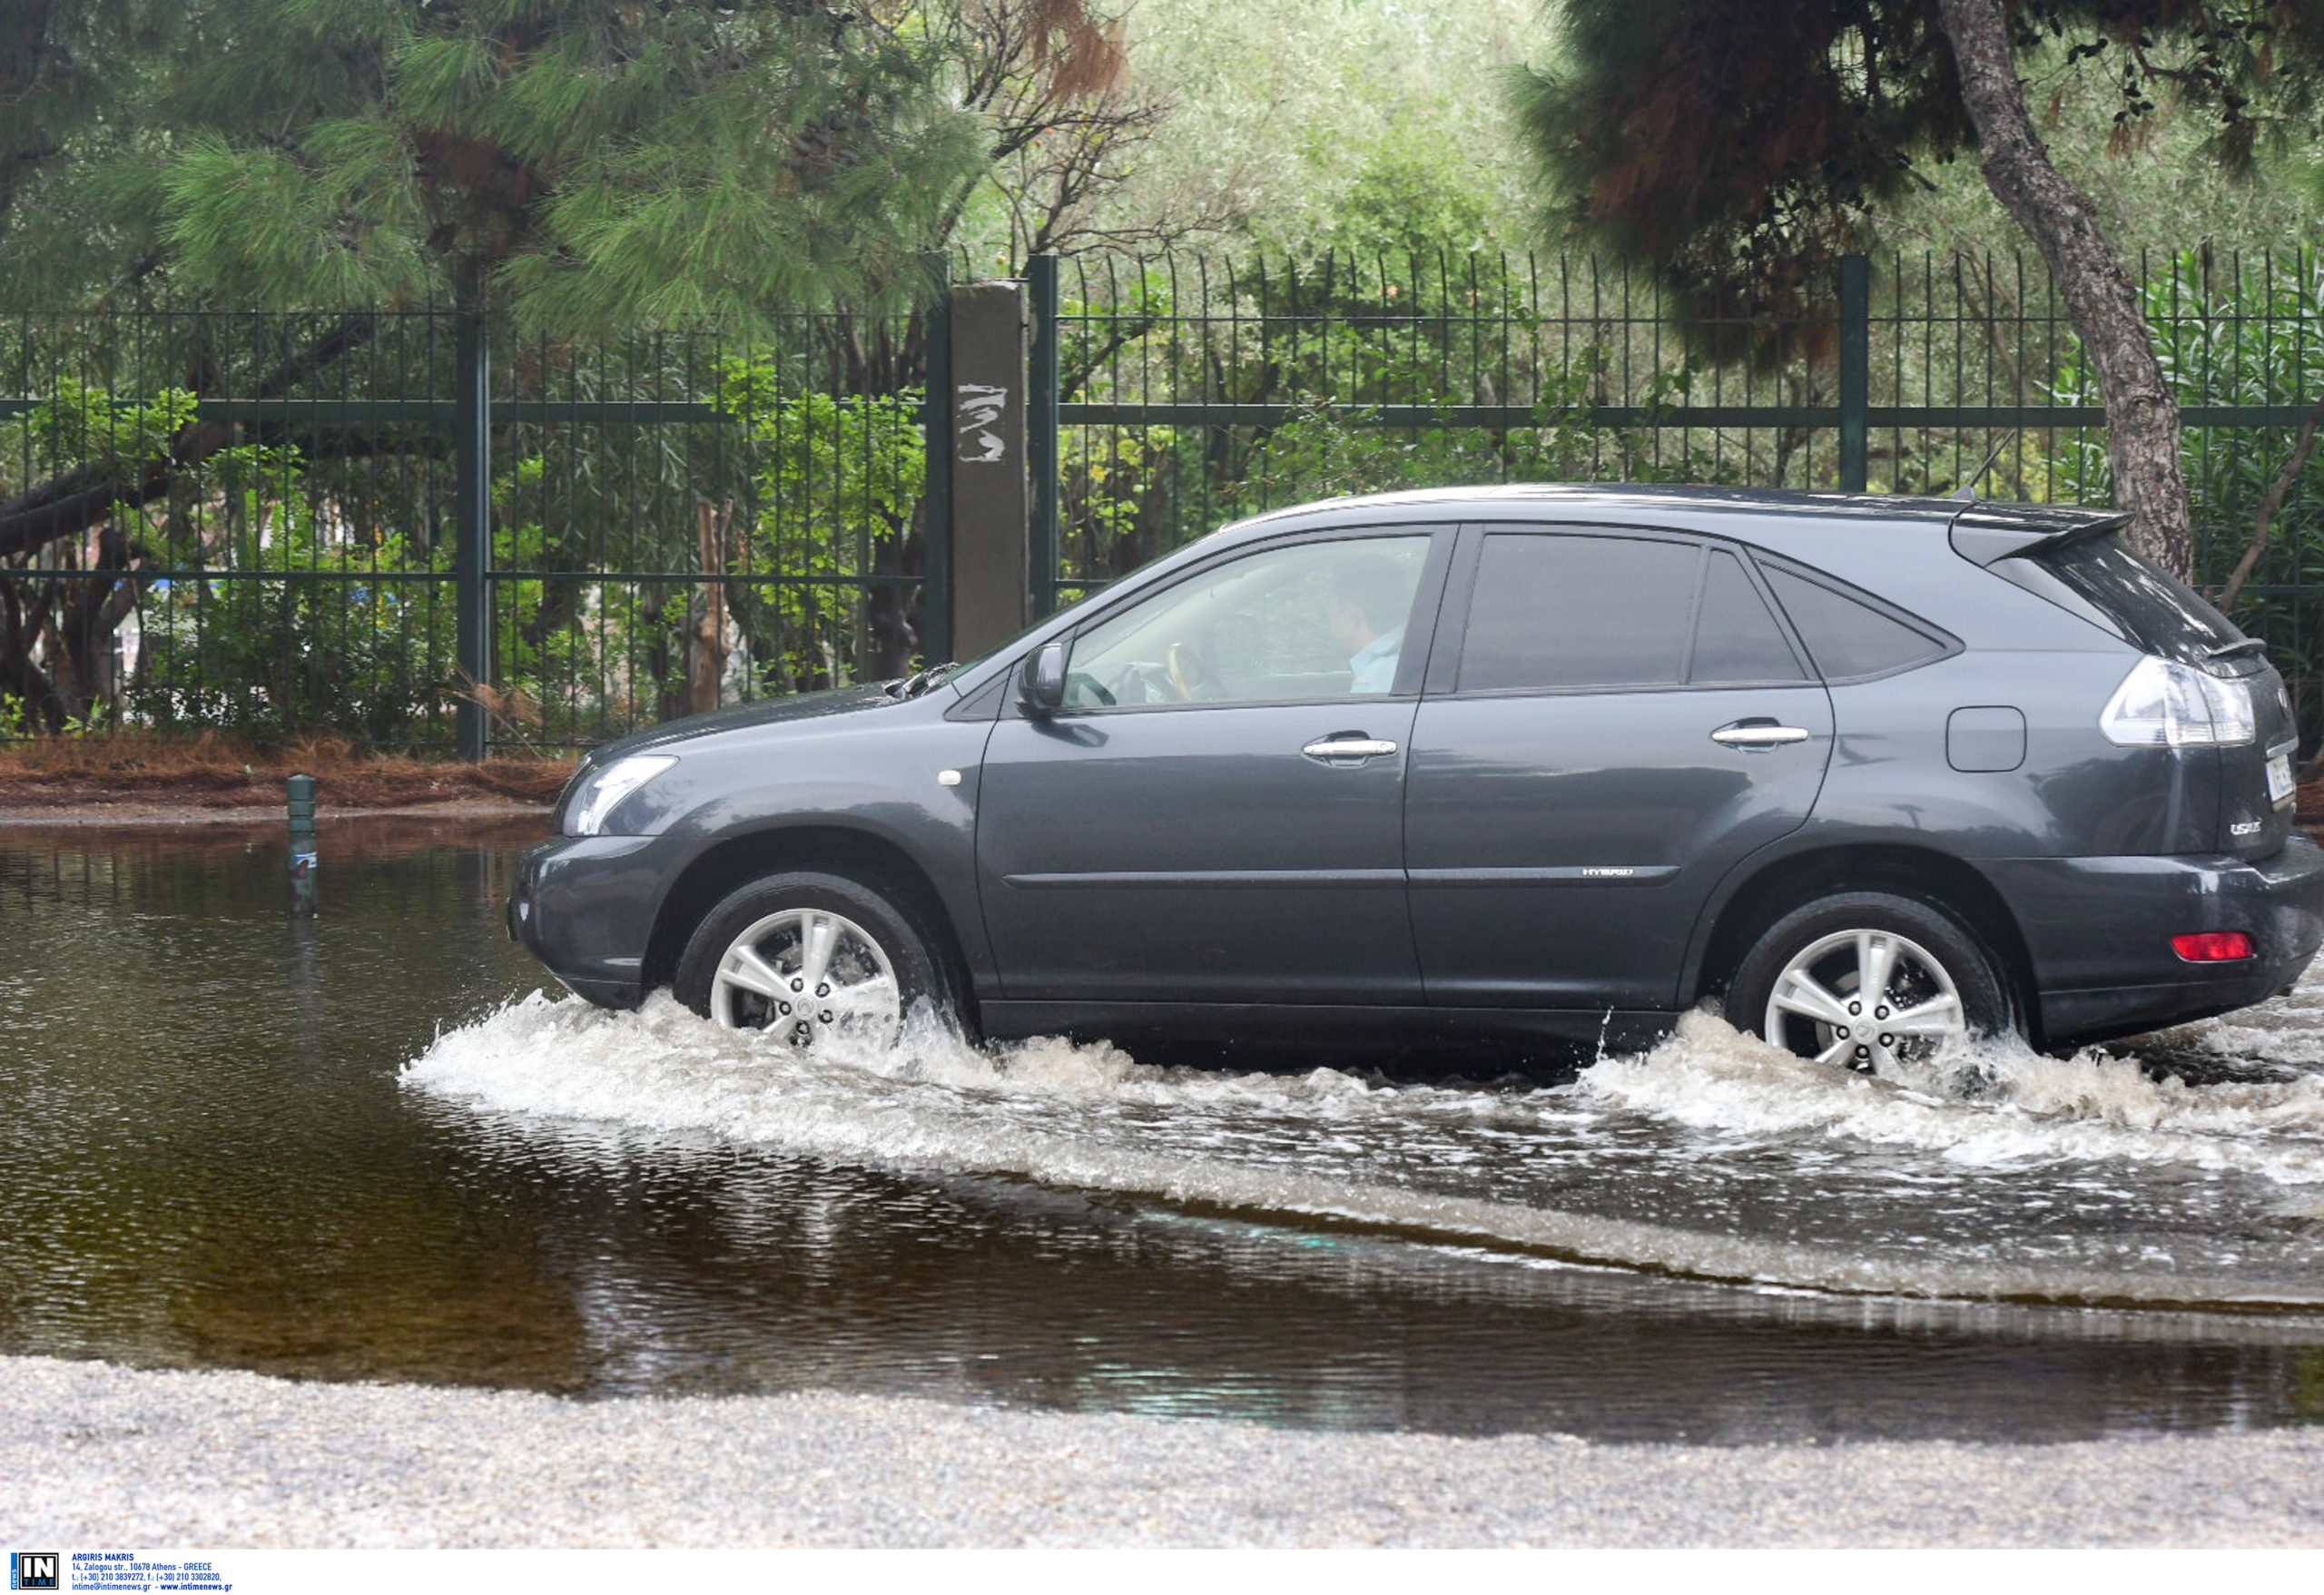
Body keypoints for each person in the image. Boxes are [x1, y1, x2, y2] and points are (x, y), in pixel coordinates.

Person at [1330, 554, 1411, 693]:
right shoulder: (1412, 653)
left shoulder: (1376, 680)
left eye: (1331, 609)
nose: (1330, 619)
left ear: (1351, 617)